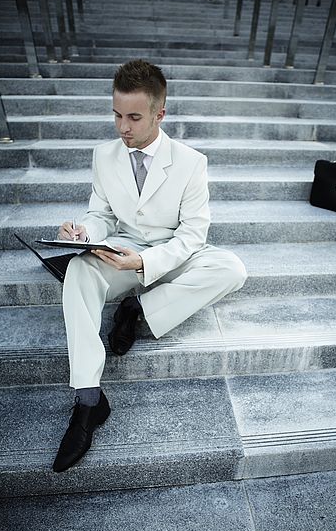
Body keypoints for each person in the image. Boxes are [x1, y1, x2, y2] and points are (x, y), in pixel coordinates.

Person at [52, 59, 247, 473]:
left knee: (230, 267)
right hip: (120, 248)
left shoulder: (191, 162)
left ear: (160, 113)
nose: (123, 127)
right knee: (79, 269)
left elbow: (193, 235)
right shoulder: (104, 155)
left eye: (134, 117)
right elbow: (101, 214)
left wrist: (146, 262)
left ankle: (137, 309)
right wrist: (82, 231)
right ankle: (88, 401)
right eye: (117, 115)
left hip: (170, 252)